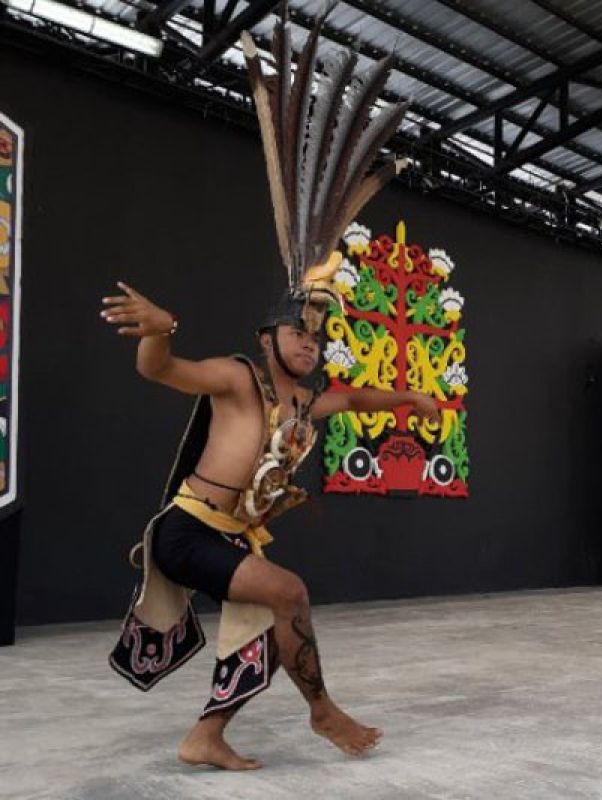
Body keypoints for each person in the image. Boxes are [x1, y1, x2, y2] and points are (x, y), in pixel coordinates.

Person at [104, 18, 432, 771]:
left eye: (318, 339)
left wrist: (408, 402)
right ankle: (323, 713)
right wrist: (161, 328)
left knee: (267, 629)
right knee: (290, 590)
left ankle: (206, 736)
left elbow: (354, 402)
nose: (311, 345)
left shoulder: (304, 404)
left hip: (230, 537)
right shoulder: (238, 379)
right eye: (300, 335)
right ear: (270, 336)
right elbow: (161, 371)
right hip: (188, 532)